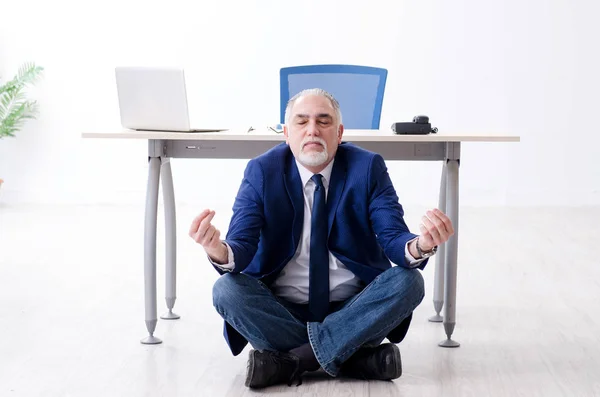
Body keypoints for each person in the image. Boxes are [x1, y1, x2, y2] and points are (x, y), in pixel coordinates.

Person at [189, 88, 454, 389]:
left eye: (323, 121)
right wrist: (218, 249)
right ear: (286, 134)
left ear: (339, 133)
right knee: (227, 290)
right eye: (302, 122)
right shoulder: (262, 170)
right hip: (282, 310)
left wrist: (421, 245)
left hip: (353, 309)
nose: (313, 130)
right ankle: (353, 357)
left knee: (409, 282)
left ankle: (293, 361)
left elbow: (392, 235)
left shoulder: (367, 167)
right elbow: (242, 246)